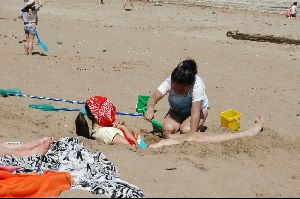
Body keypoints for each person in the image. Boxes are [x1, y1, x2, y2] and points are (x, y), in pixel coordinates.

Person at [144, 59, 209, 138]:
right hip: (176, 111)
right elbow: (153, 97)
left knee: (186, 131)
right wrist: (150, 110)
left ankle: (194, 127)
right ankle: (179, 127)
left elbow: (195, 113)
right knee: (167, 129)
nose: (178, 91)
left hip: (197, 112)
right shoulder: (170, 80)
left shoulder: (197, 85)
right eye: (174, 87)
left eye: (182, 90)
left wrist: (191, 135)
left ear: (190, 85)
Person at [149, 116, 264, 148]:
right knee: (193, 138)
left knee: (191, 136)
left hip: (155, 145)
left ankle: (247, 133)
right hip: (154, 146)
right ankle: (246, 133)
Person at [75, 96, 143, 148]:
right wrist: (123, 127)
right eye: (108, 111)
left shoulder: (103, 129)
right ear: (100, 115)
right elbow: (132, 146)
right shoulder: (107, 133)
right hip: (143, 146)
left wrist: (122, 126)